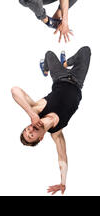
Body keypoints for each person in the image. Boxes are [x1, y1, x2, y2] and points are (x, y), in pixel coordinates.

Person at [11, 46, 91, 195]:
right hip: (77, 81)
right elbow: (63, 159)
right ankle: (65, 63)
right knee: (86, 51)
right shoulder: (57, 133)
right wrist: (63, 183)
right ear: (40, 139)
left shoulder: (37, 109)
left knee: (49, 54)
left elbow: (15, 90)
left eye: (26, 129)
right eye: (30, 135)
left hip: (60, 77)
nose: (29, 130)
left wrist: (31, 114)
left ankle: (52, 68)